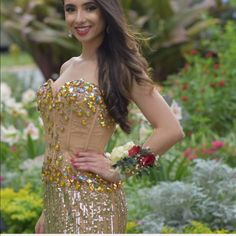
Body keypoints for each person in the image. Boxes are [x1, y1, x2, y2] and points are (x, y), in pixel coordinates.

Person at [35, 0, 185, 233]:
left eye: (90, 7)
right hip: (57, 201)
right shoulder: (68, 67)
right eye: (71, 9)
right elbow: (57, 147)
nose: (79, 18)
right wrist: (48, 210)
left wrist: (122, 169)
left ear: (107, 12)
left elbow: (170, 129)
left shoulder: (119, 68)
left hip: (94, 205)